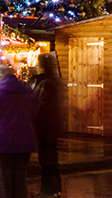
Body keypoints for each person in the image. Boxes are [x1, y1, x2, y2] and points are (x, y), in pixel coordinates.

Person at [0, 64, 37, 198]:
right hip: (25, 137)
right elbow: (34, 113)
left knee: (3, 179)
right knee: (20, 179)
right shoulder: (27, 90)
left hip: (3, 140)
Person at [31, 52, 65, 197]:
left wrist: (33, 117)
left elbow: (42, 106)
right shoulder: (54, 81)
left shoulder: (46, 83)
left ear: (42, 67)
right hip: (51, 126)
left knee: (47, 160)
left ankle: (49, 190)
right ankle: (53, 189)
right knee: (50, 159)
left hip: (45, 127)